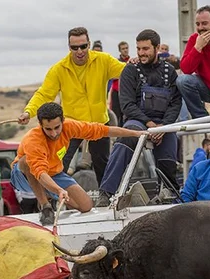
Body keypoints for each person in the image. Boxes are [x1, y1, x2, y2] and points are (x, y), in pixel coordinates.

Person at [18, 27, 127, 186]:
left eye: (83, 46)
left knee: (102, 164)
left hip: (98, 123)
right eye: (74, 47)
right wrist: (28, 112)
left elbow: (127, 72)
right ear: (69, 47)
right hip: (70, 126)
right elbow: (44, 94)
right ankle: (55, 199)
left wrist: (135, 62)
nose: (79, 51)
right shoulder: (59, 69)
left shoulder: (103, 60)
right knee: (59, 165)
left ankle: (107, 199)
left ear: (89, 44)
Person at [11, 102, 147, 224]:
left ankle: (51, 193)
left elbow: (103, 130)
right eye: (48, 129)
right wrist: (58, 190)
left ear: (63, 121)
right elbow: (40, 173)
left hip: (54, 173)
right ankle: (45, 206)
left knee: (86, 205)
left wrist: (136, 134)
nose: (53, 133)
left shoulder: (70, 126)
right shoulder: (33, 139)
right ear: (40, 125)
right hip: (24, 177)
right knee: (27, 162)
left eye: (57, 127)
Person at [96, 29, 182, 207]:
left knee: (169, 151)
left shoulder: (170, 72)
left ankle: (168, 193)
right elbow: (127, 104)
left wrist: (164, 126)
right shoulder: (130, 71)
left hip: (163, 124)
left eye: (146, 49)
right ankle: (106, 192)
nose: (141, 53)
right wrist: (149, 124)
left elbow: (175, 103)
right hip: (138, 121)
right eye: (139, 49)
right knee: (125, 140)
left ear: (157, 48)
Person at [110, 41, 132, 126]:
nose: (125, 50)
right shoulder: (115, 62)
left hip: (127, 91)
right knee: (116, 114)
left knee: (127, 114)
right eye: (123, 49)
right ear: (120, 50)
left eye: (126, 48)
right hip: (117, 91)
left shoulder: (132, 61)